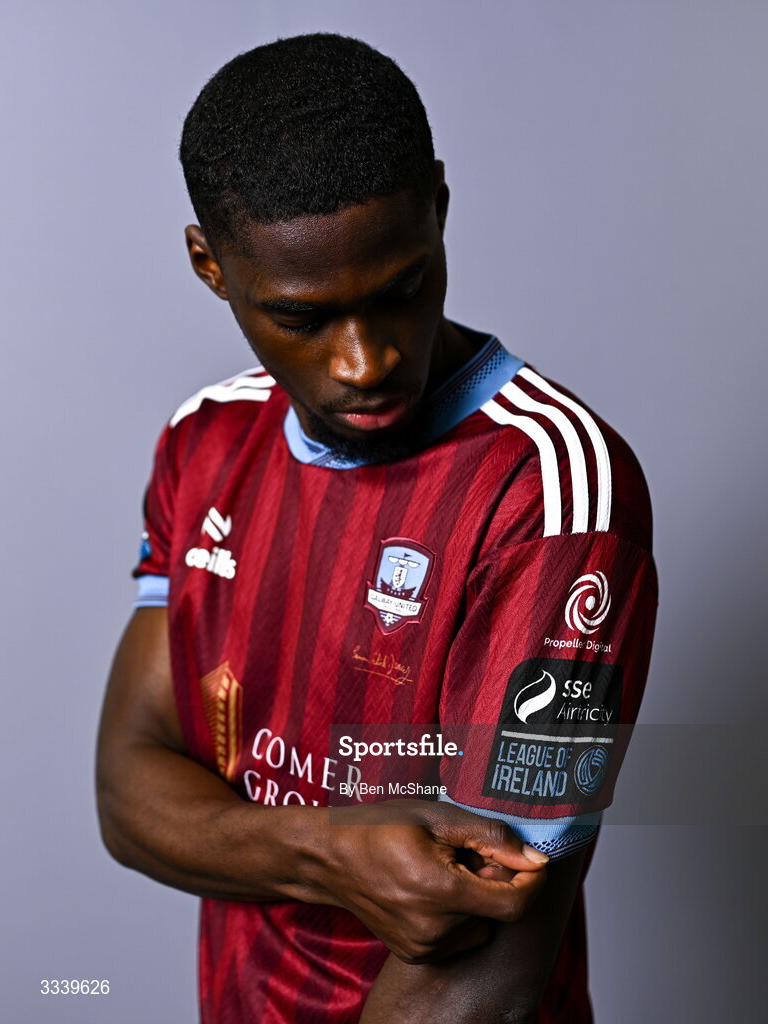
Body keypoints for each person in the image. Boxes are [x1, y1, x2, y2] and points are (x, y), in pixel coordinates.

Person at [96, 32, 658, 1024]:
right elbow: (130, 790)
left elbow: (491, 948)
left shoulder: (554, 490)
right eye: (303, 318)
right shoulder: (203, 440)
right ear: (209, 265)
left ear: (438, 209)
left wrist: (253, 840)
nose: (364, 361)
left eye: (399, 291)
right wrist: (328, 848)